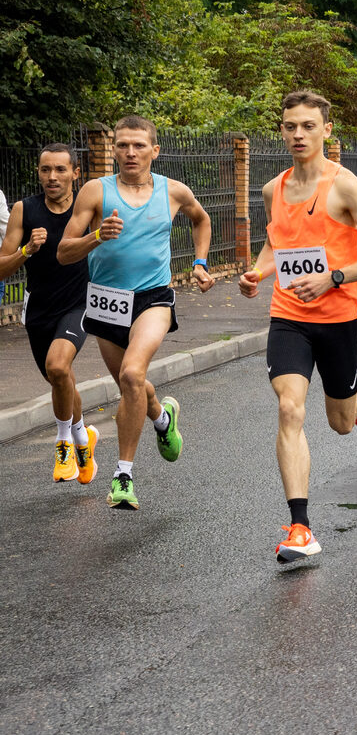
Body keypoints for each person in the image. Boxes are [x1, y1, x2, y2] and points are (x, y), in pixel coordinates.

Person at [238, 91, 357, 562]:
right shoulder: (273, 190)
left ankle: (355, 393)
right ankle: (300, 526)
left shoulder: (345, 186)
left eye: (308, 125)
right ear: (281, 130)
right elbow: (276, 244)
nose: (298, 134)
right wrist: (257, 273)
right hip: (288, 316)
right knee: (289, 409)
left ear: (327, 130)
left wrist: (333, 278)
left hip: (339, 315)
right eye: (290, 126)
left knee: (341, 424)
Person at [59, 115, 215, 511]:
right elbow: (63, 251)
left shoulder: (174, 191)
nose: (130, 152)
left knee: (131, 374)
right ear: (113, 149)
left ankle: (123, 476)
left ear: (154, 151)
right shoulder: (96, 191)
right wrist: (96, 236)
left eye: (139, 145)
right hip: (107, 301)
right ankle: (163, 419)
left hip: (153, 299)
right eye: (123, 145)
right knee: (133, 385)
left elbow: (202, 219)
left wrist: (200, 262)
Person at [0, 143, 97, 485]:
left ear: (75, 173)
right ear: (39, 173)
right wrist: (27, 250)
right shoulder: (24, 210)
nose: (52, 177)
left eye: (59, 169)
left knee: (58, 366)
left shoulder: (88, 209)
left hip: (80, 303)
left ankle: (63, 444)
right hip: (39, 308)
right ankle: (85, 438)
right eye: (45, 170)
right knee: (60, 379)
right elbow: (1, 268)